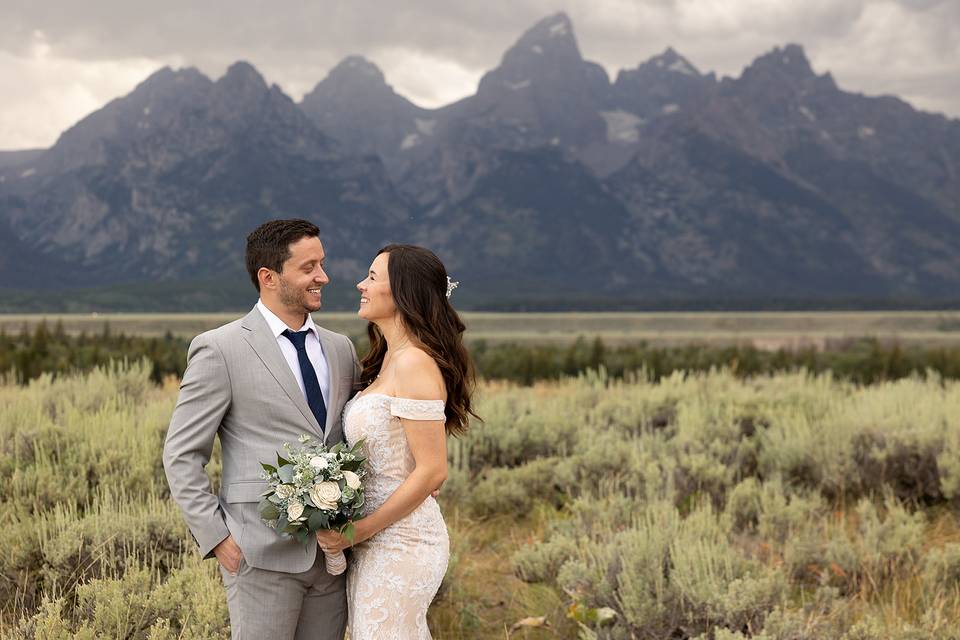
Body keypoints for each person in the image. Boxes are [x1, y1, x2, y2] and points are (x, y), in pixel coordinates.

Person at [163, 218, 359, 640]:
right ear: (268, 277)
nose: (323, 277)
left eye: (322, 264)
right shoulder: (220, 348)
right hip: (258, 556)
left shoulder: (342, 349)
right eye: (309, 268)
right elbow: (181, 455)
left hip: (332, 560)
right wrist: (219, 541)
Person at [316, 244, 477, 639]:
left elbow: (433, 470)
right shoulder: (388, 357)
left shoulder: (414, 363)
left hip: (403, 543)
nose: (360, 284)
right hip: (376, 541)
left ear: (403, 292)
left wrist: (357, 531)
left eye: (372, 277)